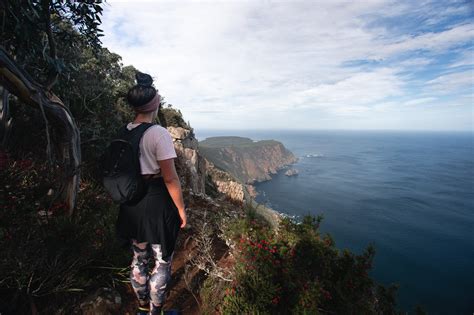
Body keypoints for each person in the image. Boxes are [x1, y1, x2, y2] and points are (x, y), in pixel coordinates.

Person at [116, 72, 187, 315]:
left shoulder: (124, 130)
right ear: (155, 103)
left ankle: (140, 307)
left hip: (131, 203)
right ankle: (154, 312)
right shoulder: (158, 133)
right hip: (157, 205)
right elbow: (170, 177)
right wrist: (180, 209)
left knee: (139, 259)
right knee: (162, 262)